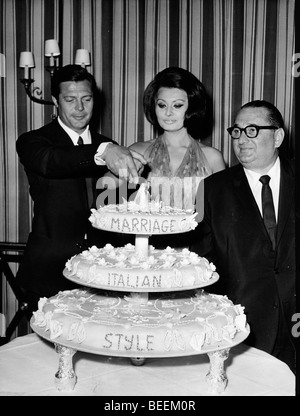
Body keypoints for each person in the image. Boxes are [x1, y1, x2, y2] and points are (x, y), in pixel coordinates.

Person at [16, 64, 146, 313]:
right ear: (55, 101)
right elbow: (52, 161)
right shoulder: (33, 141)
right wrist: (103, 152)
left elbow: (116, 204)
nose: (79, 108)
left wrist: (131, 183)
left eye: (86, 99)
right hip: (50, 271)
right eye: (70, 99)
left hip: (102, 273)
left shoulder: (109, 146)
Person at [191, 100, 295, 373]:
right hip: (243, 329)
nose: (241, 139)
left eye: (252, 130)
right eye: (236, 131)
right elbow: (201, 260)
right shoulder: (211, 190)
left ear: (278, 137)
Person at [100, 66, 225, 247]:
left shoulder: (212, 158)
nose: (168, 113)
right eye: (162, 105)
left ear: (192, 106)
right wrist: (121, 173)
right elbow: (105, 189)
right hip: (145, 253)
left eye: (177, 105)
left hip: (195, 256)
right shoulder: (139, 151)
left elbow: (222, 216)